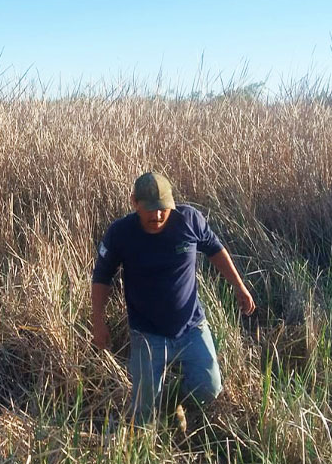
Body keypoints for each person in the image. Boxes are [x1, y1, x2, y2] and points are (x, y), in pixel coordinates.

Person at [91, 172, 256, 426]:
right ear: (134, 202)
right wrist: (98, 321)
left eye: (163, 209)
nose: (157, 216)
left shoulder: (189, 220)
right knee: (143, 414)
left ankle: (170, 401)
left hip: (191, 327)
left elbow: (215, 250)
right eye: (150, 210)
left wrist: (239, 286)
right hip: (147, 333)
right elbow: (102, 277)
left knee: (209, 389)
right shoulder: (120, 233)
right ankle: (147, 438)